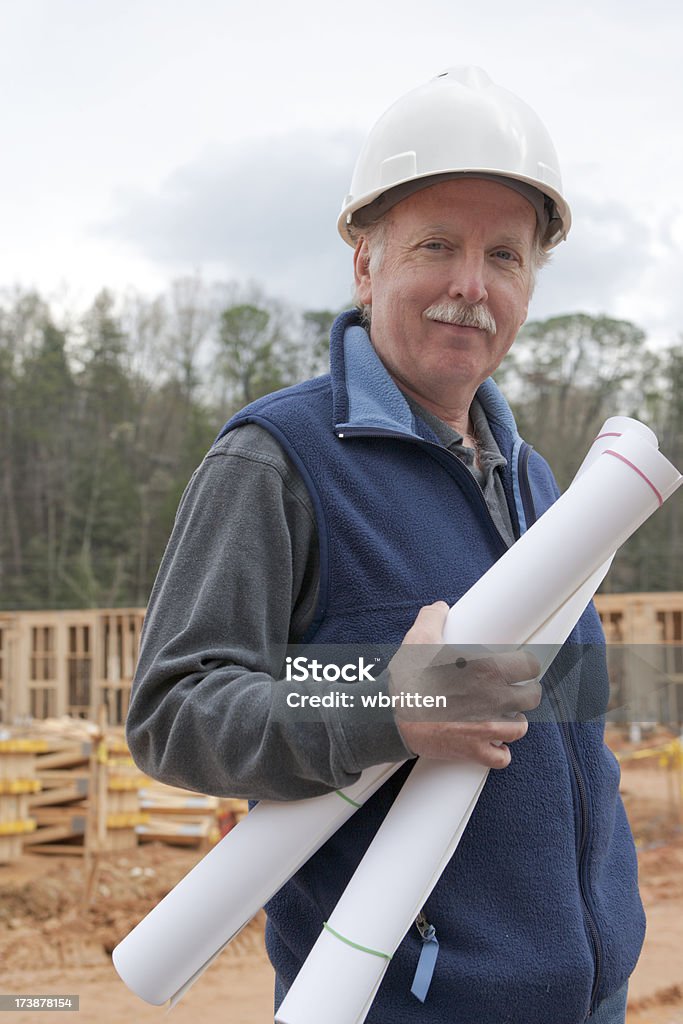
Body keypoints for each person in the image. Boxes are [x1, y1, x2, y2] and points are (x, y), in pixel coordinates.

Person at [126, 67, 645, 1023]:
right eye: (435, 246)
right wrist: (383, 700)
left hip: (590, 996)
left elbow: (563, 737)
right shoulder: (276, 460)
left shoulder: (541, 487)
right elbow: (176, 708)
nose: (469, 285)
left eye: (504, 256)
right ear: (366, 265)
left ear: (530, 283)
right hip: (397, 1003)